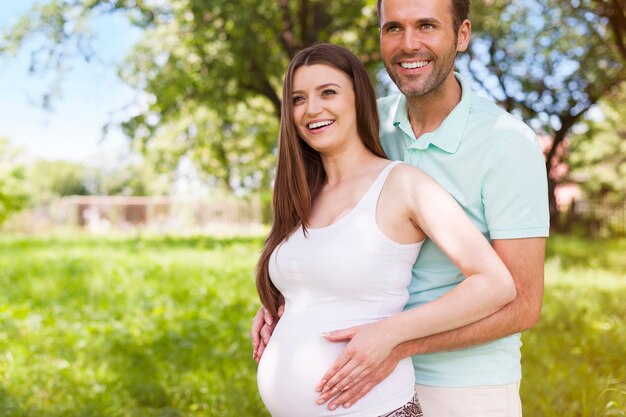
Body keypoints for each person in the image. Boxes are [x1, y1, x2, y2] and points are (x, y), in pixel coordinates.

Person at [253, 0, 550, 416]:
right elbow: (339, 239)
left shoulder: (507, 142)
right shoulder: (366, 125)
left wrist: (395, 343)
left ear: (462, 35)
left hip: (464, 385)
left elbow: (521, 301)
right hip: (366, 378)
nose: (408, 43)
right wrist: (290, 301)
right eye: (393, 28)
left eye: (426, 26)